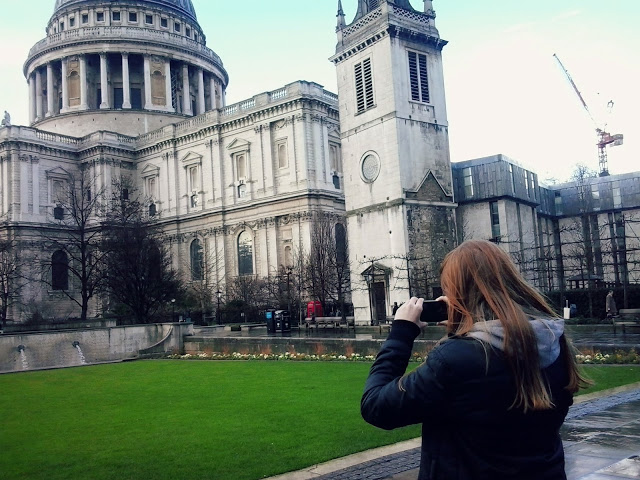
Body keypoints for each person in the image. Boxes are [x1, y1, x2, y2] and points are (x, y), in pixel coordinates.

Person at [362, 239, 588, 480]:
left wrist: (401, 332)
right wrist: (462, 327)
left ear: (459, 294)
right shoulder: (554, 340)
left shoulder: (455, 360)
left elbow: (377, 407)